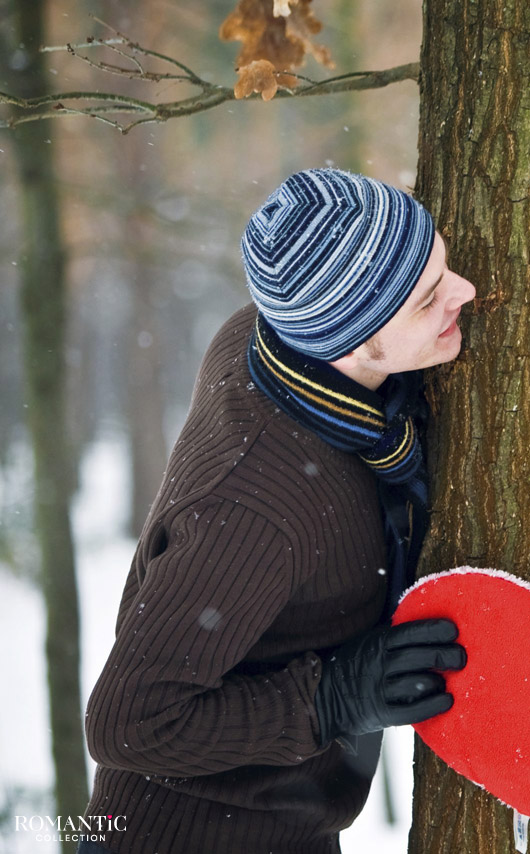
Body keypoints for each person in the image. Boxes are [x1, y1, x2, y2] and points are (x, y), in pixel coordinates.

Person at [80, 168, 476, 854]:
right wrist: (333, 698)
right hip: (186, 839)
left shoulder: (268, 338)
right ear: (351, 341)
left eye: (445, 266)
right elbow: (126, 723)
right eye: (428, 300)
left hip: (290, 825)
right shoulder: (258, 509)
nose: (465, 294)